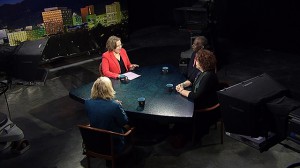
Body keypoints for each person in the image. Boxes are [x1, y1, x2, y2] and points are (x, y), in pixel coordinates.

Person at [173, 49, 219, 145]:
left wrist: (181, 91)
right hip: (201, 99)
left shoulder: (208, 76)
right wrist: (182, 85)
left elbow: (195, 96)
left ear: (202, 62)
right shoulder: (201, 71)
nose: (194, 61)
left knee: (179, 106)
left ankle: (182, 132)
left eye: (196, 59)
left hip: (204, 106)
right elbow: (192, 80)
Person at [84, 76, 130, 153]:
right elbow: (124, 122)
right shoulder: (115, 106)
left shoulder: (87, 103)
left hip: (94, 142)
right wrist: (118, 105)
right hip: (113, 145)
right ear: (109, 88)